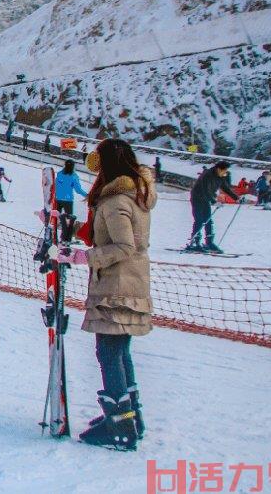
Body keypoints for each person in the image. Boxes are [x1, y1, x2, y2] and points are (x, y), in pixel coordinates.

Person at [54, 138, 155, 451]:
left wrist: (83, 257)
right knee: (119, 351)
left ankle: (120, 424)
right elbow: (102, 232)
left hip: (118, 286)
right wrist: (68, 227)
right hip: (128, 283)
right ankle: (127, 415)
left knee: (109, 352)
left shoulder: (116, 200)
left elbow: (124, 246)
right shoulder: (131, 194)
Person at [186, 162, 238, 253]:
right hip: (197, 197)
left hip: (206, 199)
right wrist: (214, 201)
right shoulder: (207, 174)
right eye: (224, 170)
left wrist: (237, 198)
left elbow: (225, 188)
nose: (225, 172)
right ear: (219, 169)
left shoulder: (220, 176)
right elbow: (205, 190)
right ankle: (194, 242)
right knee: (199, 220)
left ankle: (209, 242)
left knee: (208, 220)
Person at [55, 160, 89, 229]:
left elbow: (56, 186)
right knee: (69, 219)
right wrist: (87, 195)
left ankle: (55, 230)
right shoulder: (74, 176)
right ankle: (66, 234)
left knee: (56, 217)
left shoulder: (59, 174)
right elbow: (78, 190)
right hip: (68, 200)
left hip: (58, 198)